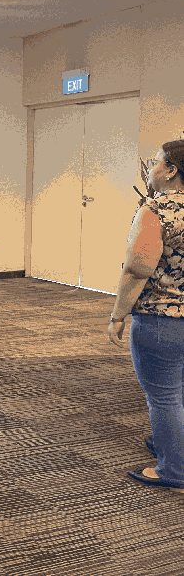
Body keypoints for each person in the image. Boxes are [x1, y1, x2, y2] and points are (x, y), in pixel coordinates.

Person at [108, 140, 184, 491]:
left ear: (170, 170)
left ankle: (174, 469)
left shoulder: (157, 209)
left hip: (161, 318)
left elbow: (137, 269)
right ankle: (174, 443)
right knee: (178, 391)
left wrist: (118, 314)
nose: (150, 168)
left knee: (164, 395)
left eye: (156, 162)